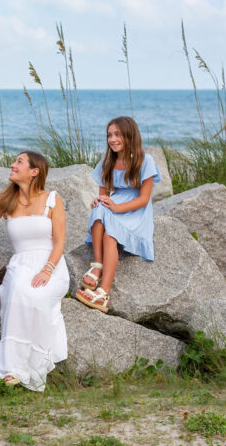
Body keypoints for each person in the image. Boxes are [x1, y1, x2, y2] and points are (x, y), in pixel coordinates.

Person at [0, 151, 68, 391]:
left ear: (34, 171)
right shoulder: (4, 200)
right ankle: (13, 369)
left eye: (19, 162)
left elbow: (60, 242)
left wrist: (47, 270)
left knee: (38, 297)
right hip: (21, 264)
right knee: (19, 291)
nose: (12, 165)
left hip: (51, 264)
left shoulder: (52, 199)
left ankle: (35, 365)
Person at [76, 116, 161, 313]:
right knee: (97, 208)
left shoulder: (145, 160)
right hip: (117, 201)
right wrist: (101, 201)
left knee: (110, 233)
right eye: (109, 135)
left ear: (129, 135)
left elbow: (144, 199)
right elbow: (104, 193)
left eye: (117, 135)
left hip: (136, 208)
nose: (112, 139)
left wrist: (115, 208)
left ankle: (104, 293)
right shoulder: (108, 161)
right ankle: (97, 264)